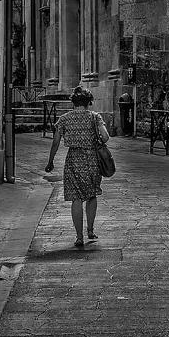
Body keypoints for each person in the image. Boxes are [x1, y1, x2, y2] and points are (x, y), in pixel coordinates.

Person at [45, 85, 110, 247]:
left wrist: (50, 161)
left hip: (73, 160)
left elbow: (55, 142)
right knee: (92, 194)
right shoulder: (95, 117)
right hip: (92, 160)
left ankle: (79, 236)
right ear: (89, 102)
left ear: (73, 102)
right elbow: (105, 136)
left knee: (76, 198)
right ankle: (91, 230)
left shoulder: (65, 119)